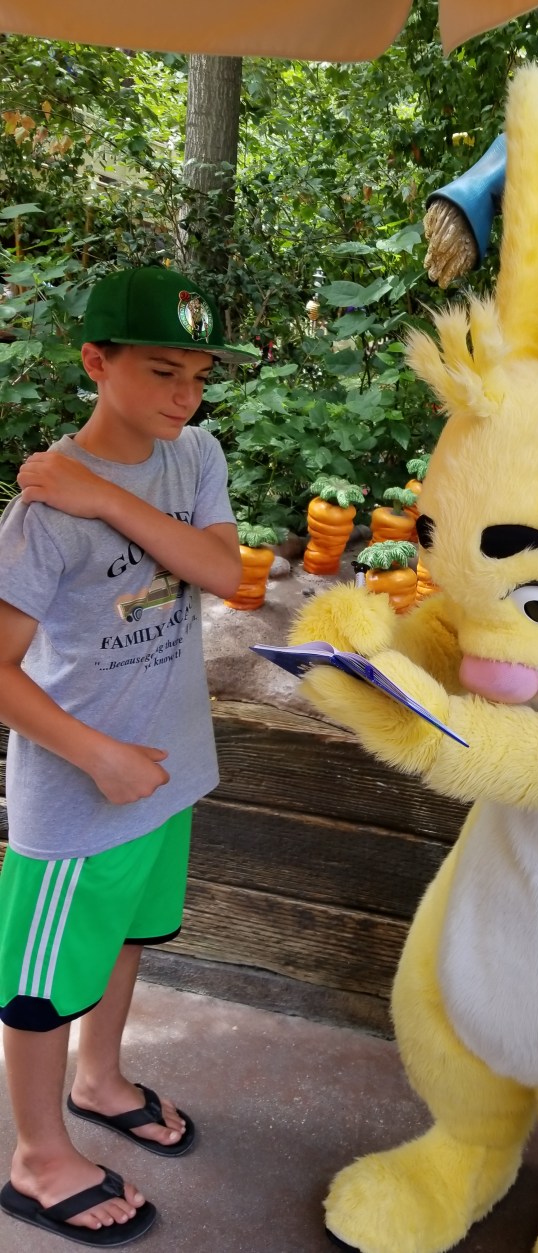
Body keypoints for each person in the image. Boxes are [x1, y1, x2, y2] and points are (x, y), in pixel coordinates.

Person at [0, 266, 253, 1245]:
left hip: (169, 772)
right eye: (161, 371)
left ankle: (99, 1078)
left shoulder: (193, 457)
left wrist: (104, 495)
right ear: (95, 363)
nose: (185, 398)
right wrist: (98, 756)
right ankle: (35, 1154)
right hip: (80, 796)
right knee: (42, 984)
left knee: (128, 937)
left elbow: (223, 571)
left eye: (198, 376)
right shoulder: (41, 513)